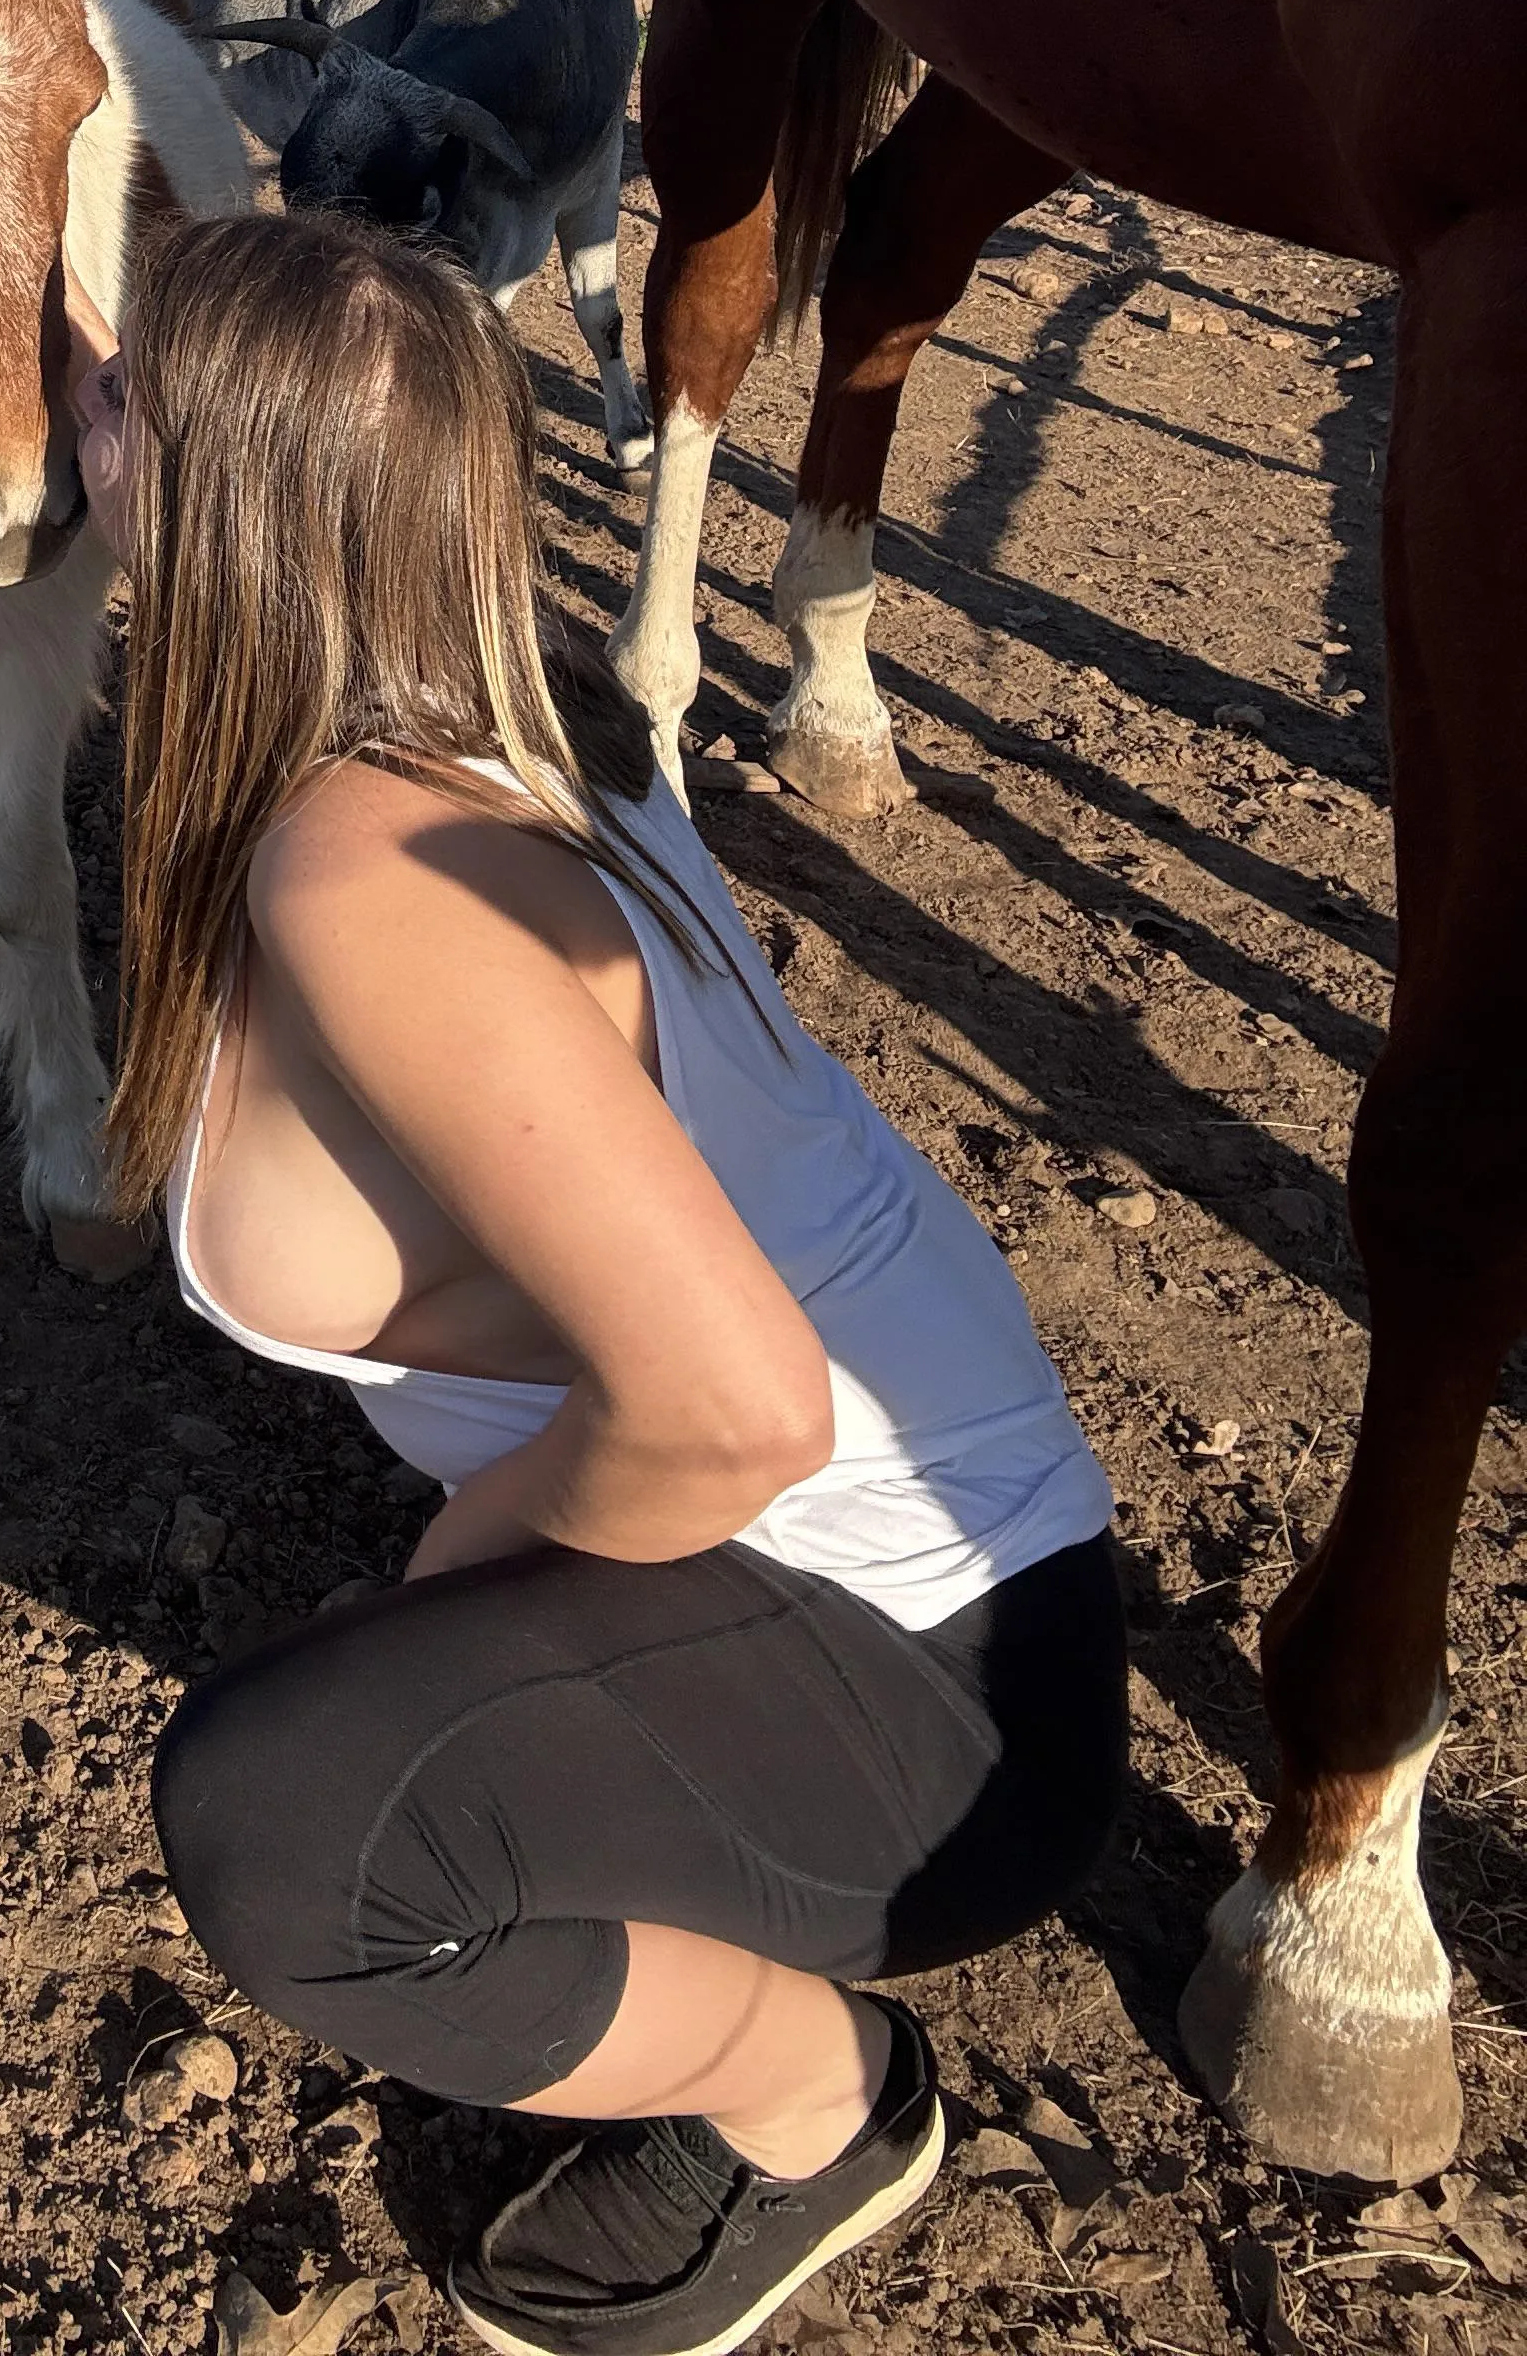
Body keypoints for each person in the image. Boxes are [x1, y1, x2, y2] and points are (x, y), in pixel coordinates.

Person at [66, 210, 1126, 2356]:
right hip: (987, 1583)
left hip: (944, 1712)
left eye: (114, 394)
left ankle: (818, 2108)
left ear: (226, 489)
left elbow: (742, 1409)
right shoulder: (519, 725)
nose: (66, 413)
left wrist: (456, 1576)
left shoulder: (361, 866)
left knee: (292, 1833)